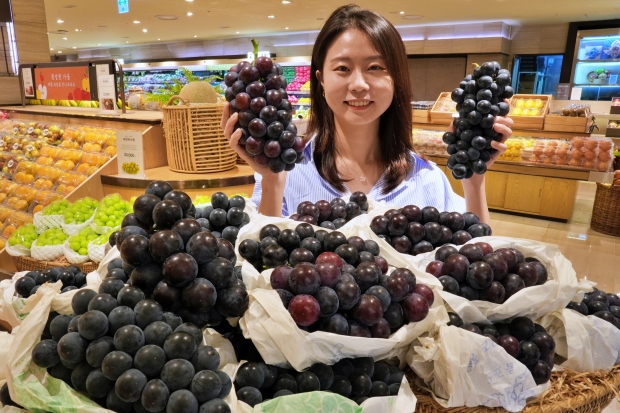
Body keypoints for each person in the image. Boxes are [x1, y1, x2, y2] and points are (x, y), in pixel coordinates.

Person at [221, 4, 513, 224]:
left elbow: (474, 262)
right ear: (321, 80)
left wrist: (474, 183)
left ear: (395, 79)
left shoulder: (426, 179)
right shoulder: (287, 174)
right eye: (343, 69)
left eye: (375, 68)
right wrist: (272, 183)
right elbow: (262, 275)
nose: (358, 85)